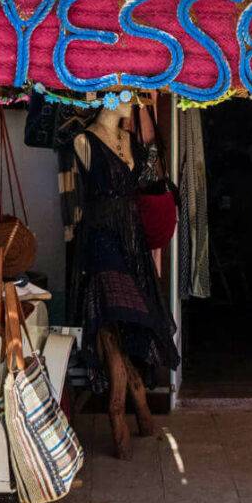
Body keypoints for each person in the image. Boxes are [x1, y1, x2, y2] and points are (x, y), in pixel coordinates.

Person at [70, 101, 179, 458]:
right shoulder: (84, 141)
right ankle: (118, 415)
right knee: (111, 320)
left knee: (131, 321)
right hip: (101, 241)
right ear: (106, 96)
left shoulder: (128, 139)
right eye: (125, 92)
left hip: (132, 242)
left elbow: (148, 175)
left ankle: (142, 411)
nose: (131, 99)